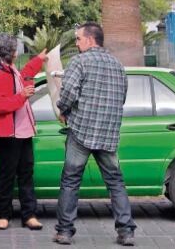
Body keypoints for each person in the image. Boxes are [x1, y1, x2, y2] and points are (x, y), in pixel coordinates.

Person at [53, 22, 135, 246]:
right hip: (108, 134)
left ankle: (65, 231)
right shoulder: (117, 64)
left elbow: (68, 91)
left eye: (78, 39)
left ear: (90, 40)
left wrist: (63, 109)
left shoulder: (79, 61)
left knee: (71, 180)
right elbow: (122, 96)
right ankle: (126, 232)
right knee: (115, 182)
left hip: (81, 131)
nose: (76, 43)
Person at [0, 33, 47, 231]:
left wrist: (39, 60)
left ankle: (29, 215)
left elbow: (26, 73)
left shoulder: (9, 70)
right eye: (14, 49)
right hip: (7, 134)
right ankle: (3, 214)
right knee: (8, 174)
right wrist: (22, 96)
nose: (17, 53)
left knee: (26, 173)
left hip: (23, 132)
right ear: (7, 51)